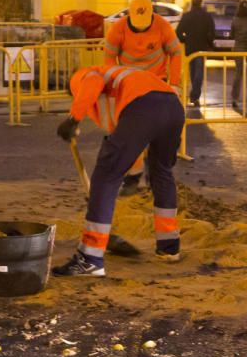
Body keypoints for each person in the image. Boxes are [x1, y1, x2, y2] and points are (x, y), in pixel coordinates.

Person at [53, 65, 185, 276]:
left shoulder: (83, 75)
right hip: (173, 108)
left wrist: (73, 118)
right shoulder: (122, 80)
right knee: (162, 173)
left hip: (143, 108)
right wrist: (129, 174)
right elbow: (129, 142)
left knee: (105, 176)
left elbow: (92, 83)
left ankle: (90, 258)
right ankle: (169, 247)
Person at [103, 0, 182, 194]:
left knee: (158, 132)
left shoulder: (162, 26)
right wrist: (116, 80)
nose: (140, 29)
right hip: (130, 86)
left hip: (157, 83)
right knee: (131, 132)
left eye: (144, 25)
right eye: (137, 26)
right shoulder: (117, 29)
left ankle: (157, 175)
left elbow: (176, 53)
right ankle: (133, 177)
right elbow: (109, 59)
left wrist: (174, 84)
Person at [175, 0, 216, 107]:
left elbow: (178, 32)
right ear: (201, 3)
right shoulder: (207, 16)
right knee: (199, 72)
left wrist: (185, 40)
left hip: (190, 48)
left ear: (192, 3)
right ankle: (195, 96)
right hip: (201, 48)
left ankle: (194, 95)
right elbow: (212, 32)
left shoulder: (187, 16)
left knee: (193, 72)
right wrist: (209, 43)